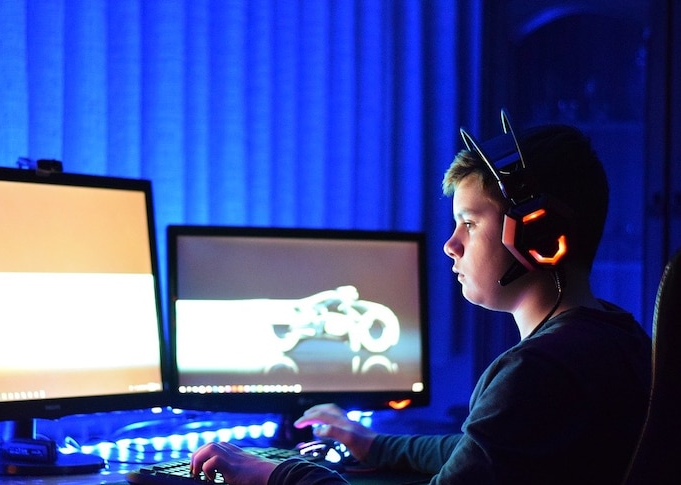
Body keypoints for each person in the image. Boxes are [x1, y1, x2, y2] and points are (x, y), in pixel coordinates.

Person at [190, 120, 652, 484]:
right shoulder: (615, 334)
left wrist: (275, 473)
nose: (451, 245)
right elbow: (477, 450)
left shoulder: (537, 371)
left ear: (537, 234)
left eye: (469, 224)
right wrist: (374, 444)